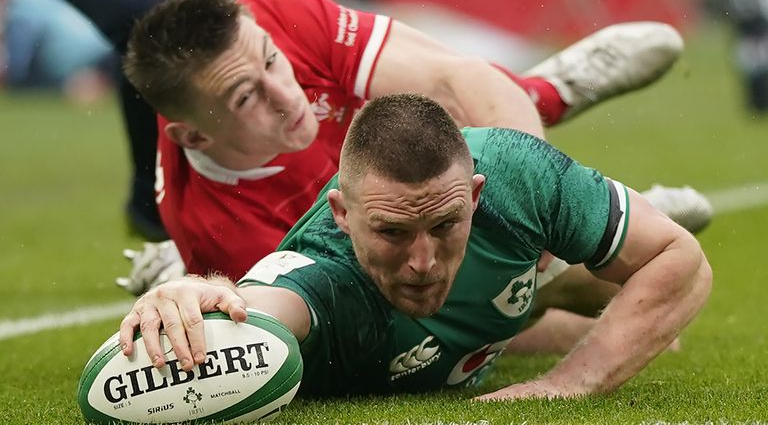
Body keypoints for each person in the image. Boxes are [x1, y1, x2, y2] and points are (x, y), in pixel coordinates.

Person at [119, 93, 712, 399]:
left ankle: (573, 250)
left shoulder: (515, 173)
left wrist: (573, 381)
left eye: (445, 225)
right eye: (392, 232)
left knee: (656, 325)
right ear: (343, 217)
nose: (423, 261)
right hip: (389, 324)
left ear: (475, 195)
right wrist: (200, 291)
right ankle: (177, 263)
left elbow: (678, 261)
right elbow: (263, 306)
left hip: (493, 284)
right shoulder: (324, 274)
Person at [114, 0, 709, 297]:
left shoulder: (273, 15)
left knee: (440, 102)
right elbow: (408, 308)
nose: (286, 94)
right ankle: (601, 209)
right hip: (323, 224)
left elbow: (459, 77)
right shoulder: (217, 228)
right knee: (500, 298)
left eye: (273, 61)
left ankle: (547, 92)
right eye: (247, 96)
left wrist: (548, 209)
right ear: (192, 135)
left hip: (373, 136)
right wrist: (573, 264)